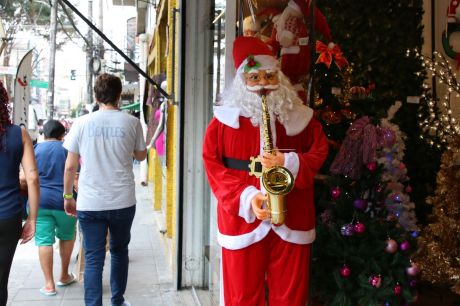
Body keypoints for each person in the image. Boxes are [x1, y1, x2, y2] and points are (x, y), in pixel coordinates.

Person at [202, 36, 329, 305]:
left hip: (292, 215)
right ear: (241, 81)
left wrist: (288, 164)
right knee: (242, 296)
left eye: (269, 76)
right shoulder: (222, 122)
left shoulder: (300, 118)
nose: (262, 85)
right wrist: (247, 197)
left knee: (291, 297)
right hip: (242, 219)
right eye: (254, 77)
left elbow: (318, 152)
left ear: (279, 77)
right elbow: (213, 166)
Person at [62, 74, 147, 306]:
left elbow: (70, 166)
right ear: (119, 96)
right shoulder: (131, 122)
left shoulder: (81, 123)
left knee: (93, 258)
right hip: (122, 200)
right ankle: (117, 301)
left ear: (96, 96)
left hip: (89, 202)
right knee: (119, 252)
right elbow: (141, 155)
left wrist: (68, 196)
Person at [0, 80, 39, 305]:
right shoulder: (19, 134)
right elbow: (32, 177)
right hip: (8, 216)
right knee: (1, 279)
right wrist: (32, 218)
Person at [34, 119, 77, 296]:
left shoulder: (35, 149)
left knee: (44, 241)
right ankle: (64, 275)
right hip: (64, 202)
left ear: (44, 134)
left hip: (40, 202)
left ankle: (49, 285)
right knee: (67, 236)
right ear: (62, 134)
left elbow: (27, 175)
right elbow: (75, 174)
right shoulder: (68, 149)